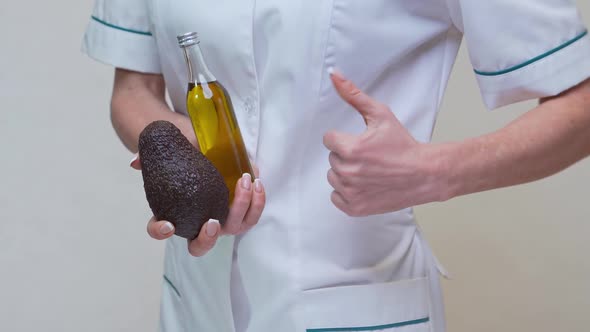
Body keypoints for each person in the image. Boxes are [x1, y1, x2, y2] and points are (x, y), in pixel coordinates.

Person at [82, 1, 590, 331]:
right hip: (194, 298)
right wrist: (180, 146)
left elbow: (580, 101)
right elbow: (133, 87)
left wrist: (436, 171)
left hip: (354, 294)